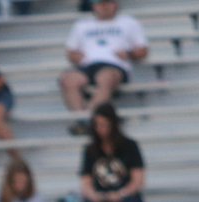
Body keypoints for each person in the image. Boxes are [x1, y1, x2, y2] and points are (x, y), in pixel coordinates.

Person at [59, 0, 148, 133]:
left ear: (115, 5)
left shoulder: (128, 23)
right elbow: (71, 52)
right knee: (68, 79)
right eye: (100, 3)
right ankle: (83, 120)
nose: (104, 6)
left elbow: (142, 50)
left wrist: (129, 54)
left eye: (108, 2)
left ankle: (88, 120)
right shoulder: (82, 25)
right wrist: (77, 57)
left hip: (115, 64)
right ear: (94, 6)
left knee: (106, 77)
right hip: (88, 65)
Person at [78, 103, 144, 202]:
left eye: (104, 125)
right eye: (97, 125)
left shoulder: (130, 146)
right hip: (102, 197)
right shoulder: (90, 150)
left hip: (124, 196)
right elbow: (85, 183)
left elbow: (138, 181)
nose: (101, 129)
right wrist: (95, 195)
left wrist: (121, 194)